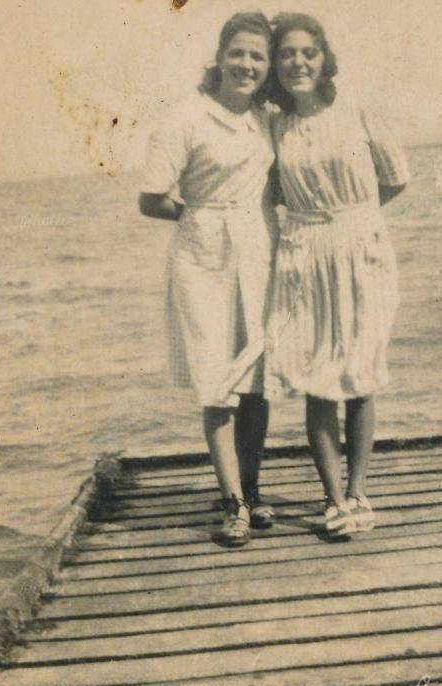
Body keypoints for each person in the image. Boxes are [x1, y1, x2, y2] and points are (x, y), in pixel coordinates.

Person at [265, 13, 409, 537]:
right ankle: (332, 499)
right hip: (304, 252)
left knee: (361, 373)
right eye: (286, 54)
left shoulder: (358, 110)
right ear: (275, 65)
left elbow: (395, 178)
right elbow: (269, 192)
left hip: (361, 249)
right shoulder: (274, 125)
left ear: (324, 58)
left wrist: (355, 222)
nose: (298, 63)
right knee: (318, 379)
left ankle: (358, 491)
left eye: (308, 52)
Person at [139, 12, 278, 548]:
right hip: (204, 260)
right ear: (219, 57)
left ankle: (253, 487)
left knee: (257, 382)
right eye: (237, 53)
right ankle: (232, 501)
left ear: (267, 66)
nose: (246, 64)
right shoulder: (186, 118)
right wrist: (200, 217)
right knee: (218, 383)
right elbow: (152, 198)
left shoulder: (267, 118)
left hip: (260, 254)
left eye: (257, 56)